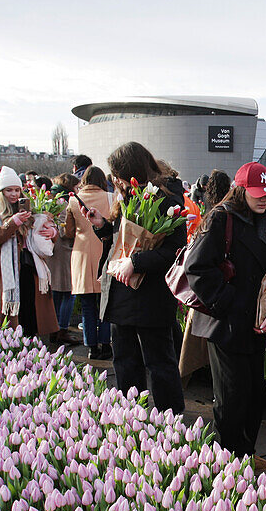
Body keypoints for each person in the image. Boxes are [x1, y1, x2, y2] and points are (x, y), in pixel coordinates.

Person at [185, 162, 266, 472]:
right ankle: (234, 461)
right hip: (227, 324)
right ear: (240, 190)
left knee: (253, 395)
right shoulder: (221, 218)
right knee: (231, 398)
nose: (262, 199)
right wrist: (230, 303)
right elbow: (197, 268)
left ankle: (246, 454)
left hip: (256, 325)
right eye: (256, 193)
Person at [83, 142, 186, 414]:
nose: (115, 180)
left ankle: (170, 423)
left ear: (133, 171)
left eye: (117, 174)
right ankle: (132, 420)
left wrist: (136, 262)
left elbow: (175, 251)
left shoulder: (167, 198)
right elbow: (122, 241)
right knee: (126, 363)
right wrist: (103, 228)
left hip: (149, 296)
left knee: (159, 364)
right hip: (121, 293)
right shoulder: (129, 195)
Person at [0, 166, 59, 336]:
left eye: (17, 190)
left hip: (28, 264)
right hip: (4, 268)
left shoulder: (27, 206)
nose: (14, 194)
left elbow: (45, 225)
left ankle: (30, 340)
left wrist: (53, 232)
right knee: (8, 313)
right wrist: (12, 223)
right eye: (9, 190)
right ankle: (11, 342)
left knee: (30, 307)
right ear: (1, 192)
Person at [63, 166, 113, 360]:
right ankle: (105, 343)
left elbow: (68, 232)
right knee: (106, 303)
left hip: (81, 253)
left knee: (87, 305)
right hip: (104, 251)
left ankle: (91, 345)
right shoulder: (111, 198)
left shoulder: (73, 201)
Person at [46, 175, 78, 344]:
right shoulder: (65, 203)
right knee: (68, 293)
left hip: (51, 251)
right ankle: (62, 330)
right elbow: (66, 231)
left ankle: (53, 329)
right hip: (64, 251)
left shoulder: (48, 200)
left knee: (56, 293)